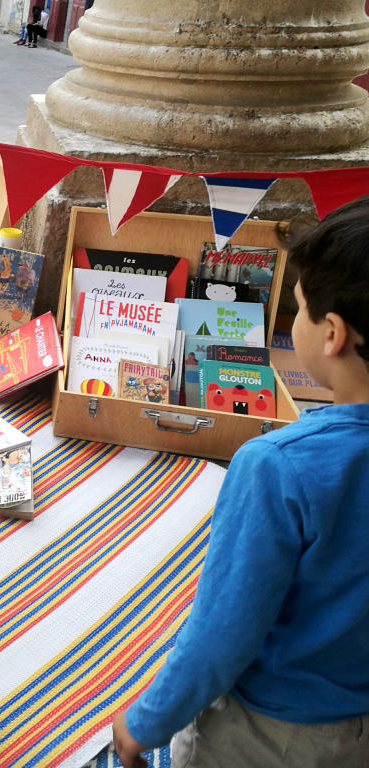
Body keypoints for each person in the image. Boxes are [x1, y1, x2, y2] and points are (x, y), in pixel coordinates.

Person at [111, 197, 369, 768]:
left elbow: (223, 630)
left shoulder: (278, 465)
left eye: (297, 308)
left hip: (272, 731)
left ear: (332, 334)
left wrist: (145, 721)